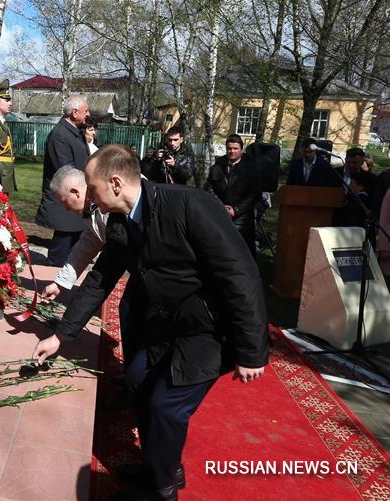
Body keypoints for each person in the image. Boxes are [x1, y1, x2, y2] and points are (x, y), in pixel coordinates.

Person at [33, 144, 268, 501]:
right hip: (165, 323)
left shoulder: (191, 206)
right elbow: (100, 279)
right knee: (137, 380)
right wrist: (60, 336)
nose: (90, 199)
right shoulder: (118, 221)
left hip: (210, 330)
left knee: (166, 405)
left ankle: (160, 490)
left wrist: (252, 351)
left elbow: (241, 276)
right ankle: (162, 466)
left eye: (92, 189)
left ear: (114, 183)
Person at [35, 95, 90, 267]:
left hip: (77, 199)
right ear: (74, 112)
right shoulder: (59, 135)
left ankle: (65, 286)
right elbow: (66, 170)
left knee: (74, 250)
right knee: (61, 251)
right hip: (66, 200)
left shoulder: (75, 133)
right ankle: (50, 283)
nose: (88, 114)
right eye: (85, 111)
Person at [41, 166, 107, 301]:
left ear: (76, 192)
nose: (66, 208)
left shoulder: (108, 204)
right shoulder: (91, 208)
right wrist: (59, 283)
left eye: (65, 202)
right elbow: (86, 247)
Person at [203, 134, 261, 255]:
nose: (232, 151)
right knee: (220, 249)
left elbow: (254, 194)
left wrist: (236, 210)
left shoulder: (251, 167)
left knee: (243, 251)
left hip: (242, 217)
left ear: (241, 149)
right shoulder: (218, 165)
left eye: (235, 148)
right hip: (220, 213)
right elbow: (209, 188)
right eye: (229, 148)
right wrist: (220, 206)